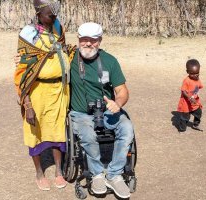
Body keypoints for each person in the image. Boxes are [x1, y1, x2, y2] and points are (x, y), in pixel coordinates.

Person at [13, 0, 75, 191]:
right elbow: (22, 73)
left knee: (58, 130)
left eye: (55, 14)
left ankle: (58, 171)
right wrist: (28, 105)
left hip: (59, 90)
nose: (54, 18)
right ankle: (39, 173)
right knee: (35, 133)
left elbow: (62, 50)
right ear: (39, 13)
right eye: (50, 15)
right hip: (37, 91)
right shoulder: (28, 34)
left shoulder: (57, 26)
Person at [69, 22, 134, 199]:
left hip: (107, 111)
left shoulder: (110, 61)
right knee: (88, 136)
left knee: (127, 129)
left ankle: (114, 174)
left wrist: (117, 103)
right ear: (78, 39)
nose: (88, 43)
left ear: (100, 41)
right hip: (80, 113)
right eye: (84, 39)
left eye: (93, 40)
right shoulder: (69, 58)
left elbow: (122, 91)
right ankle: (97, 174)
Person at [177, 59, 203, 132]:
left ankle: (195, 124)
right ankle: (181, 128)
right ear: (187, 72)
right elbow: (183, 91)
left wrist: (196, 95)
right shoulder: (186, 80)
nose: (195, 75)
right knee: (185, 117)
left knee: (198, 112)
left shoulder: (197, 79)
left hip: (194, 102)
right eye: (192, 73)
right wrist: (190, 98)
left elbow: (199, 87)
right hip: (186, 103)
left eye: (197, 73)